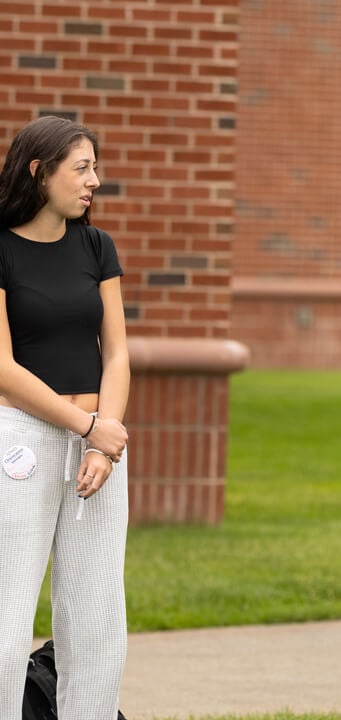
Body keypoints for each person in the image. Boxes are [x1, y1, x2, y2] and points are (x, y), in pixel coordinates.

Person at [0, 116, 131, 717]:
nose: (94, 182)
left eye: (95, 168)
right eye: (82, 168)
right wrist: (87, 428)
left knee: (95, 617)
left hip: (100, 446)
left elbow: (118, 352)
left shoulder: (96, 246)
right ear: (38, 172)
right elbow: (1, 367)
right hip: (20, 443)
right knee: (7, 614)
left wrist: (103, 443)